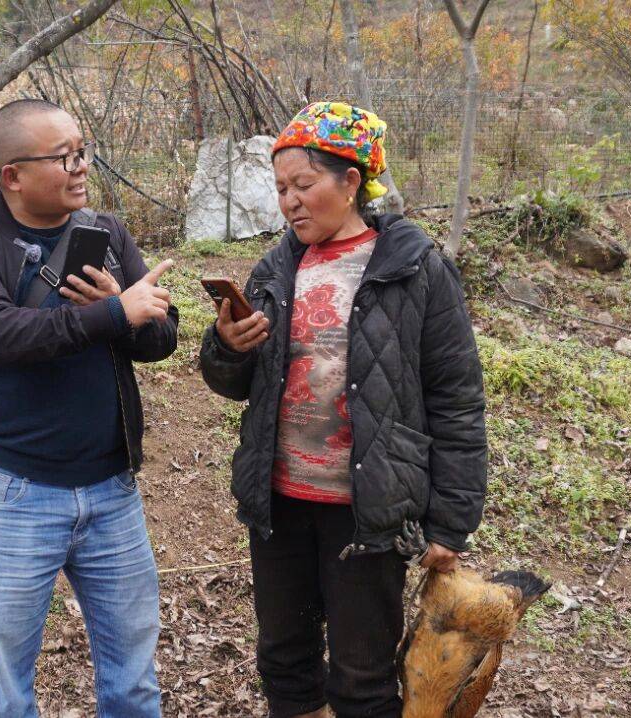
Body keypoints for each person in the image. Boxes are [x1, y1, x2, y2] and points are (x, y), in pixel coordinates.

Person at [199, 102, 487, 718]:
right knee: (285, 661)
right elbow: (235, 385)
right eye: (281, 189)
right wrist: (227, 346)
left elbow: (457, 400)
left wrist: (450, 522)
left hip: (367, 512)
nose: (290, 202)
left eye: (304, 185)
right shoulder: (277, 267)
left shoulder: (415, 269)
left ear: (351, 180)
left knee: (362, 676)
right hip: (280, 501)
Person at [0, 98, 177, 717]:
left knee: (133, 679)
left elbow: (159, 340)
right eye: (64, 157)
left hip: (112, 490)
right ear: (12, 175)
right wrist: (112, 313)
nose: (81, 167)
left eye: (82, 152)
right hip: (15, 493)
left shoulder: (107, 233)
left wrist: (125, 311)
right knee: (8, 685)